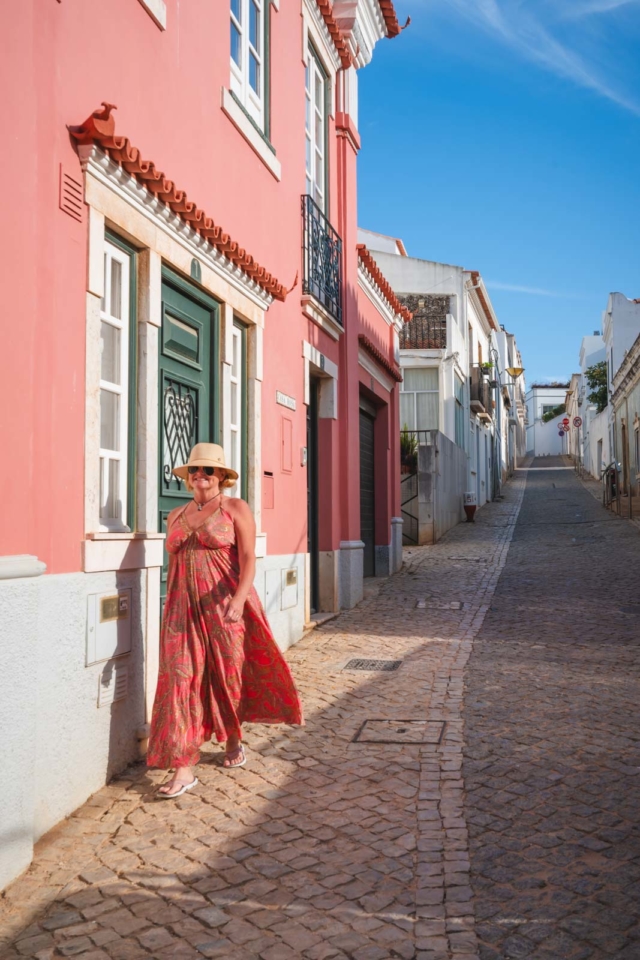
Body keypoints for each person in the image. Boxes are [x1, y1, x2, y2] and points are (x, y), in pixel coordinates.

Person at [147, 442, 303, 798]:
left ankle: (232, 739)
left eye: (208, 471)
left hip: (224, 606)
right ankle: (183, 766)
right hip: (182, 611)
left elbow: (248, 558)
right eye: (195, 471)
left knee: (227, 674)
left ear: (222, 477)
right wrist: (172, 606)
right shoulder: (175, 515)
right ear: (188, 478)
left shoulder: (235, 508)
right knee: (179, 679)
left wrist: (238, 597)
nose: (200, 476)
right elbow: (174, 565)